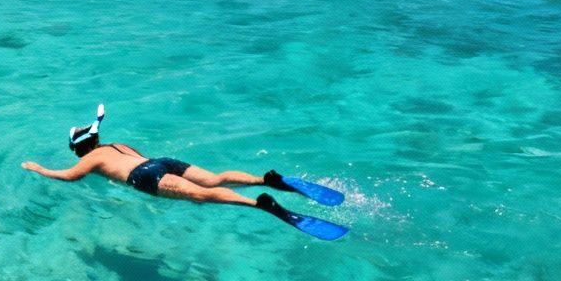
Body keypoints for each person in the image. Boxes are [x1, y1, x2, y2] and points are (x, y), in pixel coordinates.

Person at [20, 105, 348, 240]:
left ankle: (258, 204)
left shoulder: (90, 159)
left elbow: (68, 176)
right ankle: (267, 180)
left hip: (145, 176)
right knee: (216, 178)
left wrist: (39, 168)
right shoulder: (116, 145)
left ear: (79, 148)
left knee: (202, 196)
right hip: (163, 161)